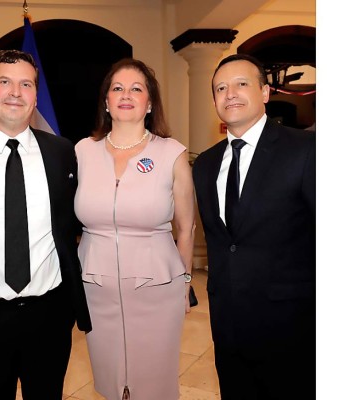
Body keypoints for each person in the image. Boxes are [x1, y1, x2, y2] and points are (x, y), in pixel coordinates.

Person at [0, 49, 92, 400]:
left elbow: (76, 220)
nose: (15, 92)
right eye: (5, 82)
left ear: (35, 94)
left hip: (50, 314)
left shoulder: (62, 152)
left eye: (25, 84)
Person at [192, 54, 315, 399]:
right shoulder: (205, 164)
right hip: (228, 328)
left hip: (293, 329)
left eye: (241, 84)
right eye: (220, 87)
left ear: (264, 92)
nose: (229, 93)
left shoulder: (306, 150)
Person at [74, 58, 196, 400]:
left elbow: (186, 228)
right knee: (110, 381)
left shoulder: (172, 153)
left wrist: (186, 284)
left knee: (154, 384)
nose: (126, 95)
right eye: (117, 88)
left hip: (157, 288)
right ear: (106, 101)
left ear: (150, 102)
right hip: (95, 289)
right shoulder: (83, 151)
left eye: (136, 89)